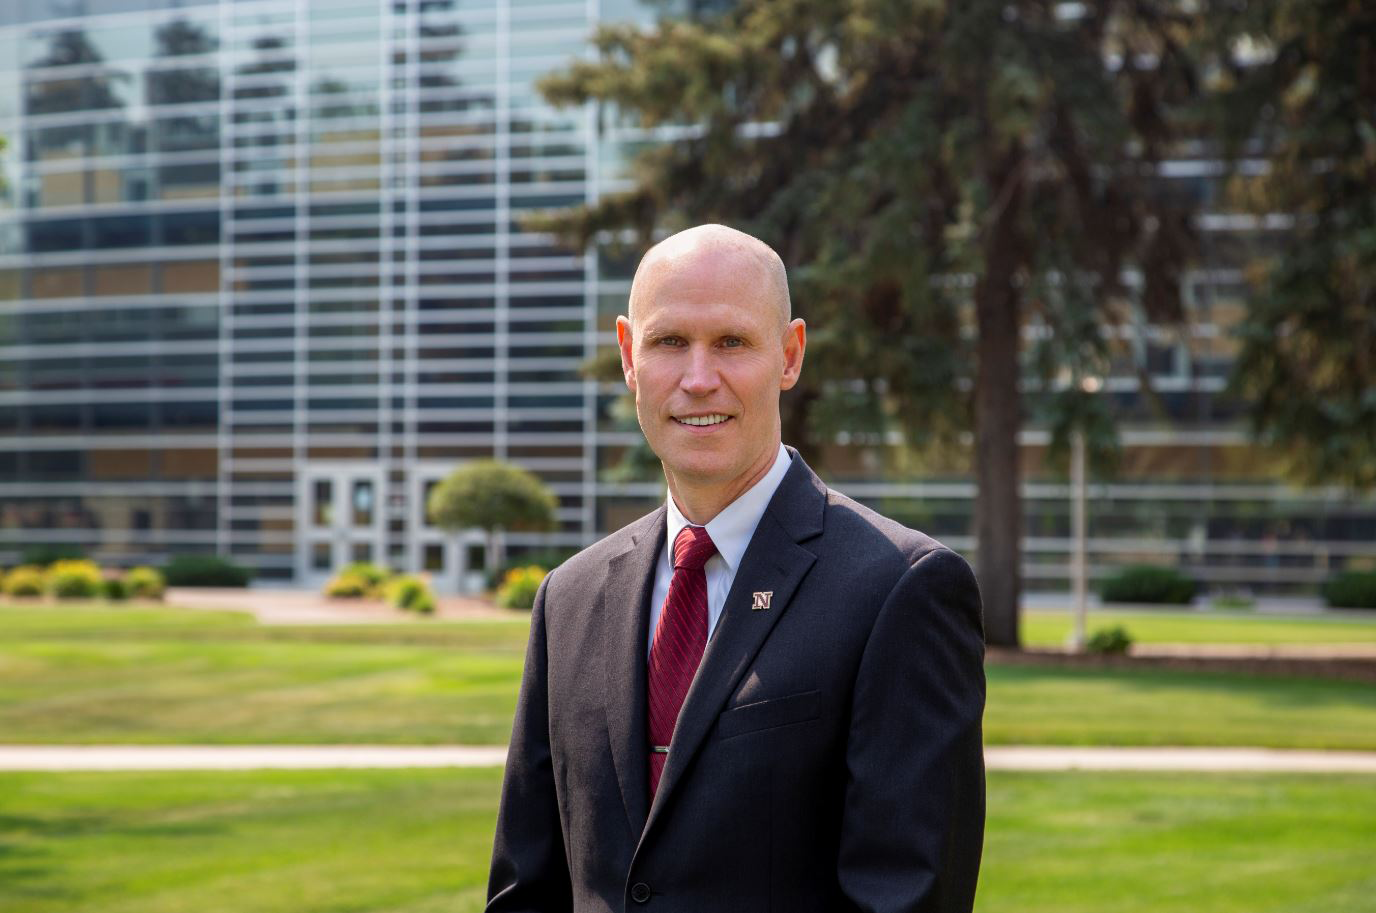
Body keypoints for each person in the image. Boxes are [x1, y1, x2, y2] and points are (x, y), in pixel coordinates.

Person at [486, 224, 986, 912]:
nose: (698, 378)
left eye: (731, 342)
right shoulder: (567, 600)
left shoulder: (899, 590)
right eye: (669, 342)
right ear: (629, 356)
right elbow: (526, 890)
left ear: (789, 355)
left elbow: (903, 899)